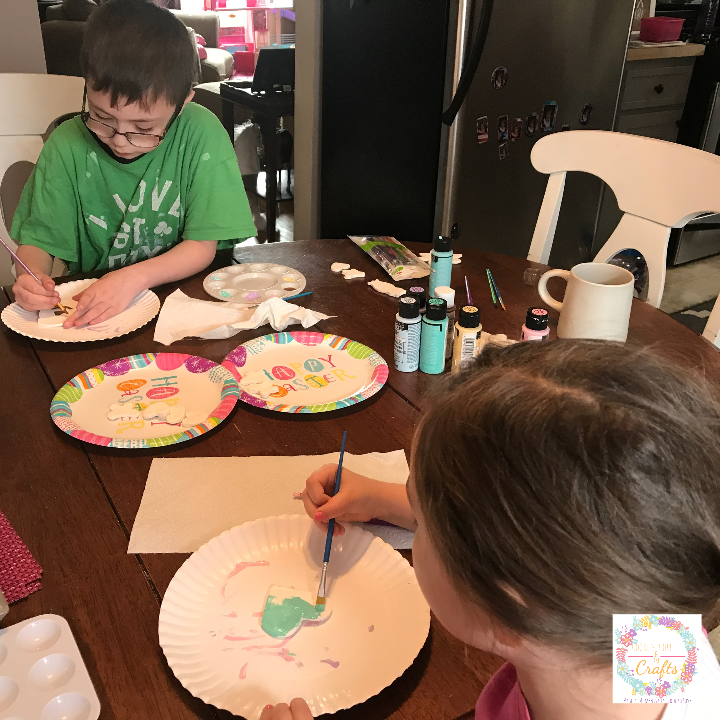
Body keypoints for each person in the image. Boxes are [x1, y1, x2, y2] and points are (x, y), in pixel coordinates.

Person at [265, 341, 720, 720]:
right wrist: (383, 500)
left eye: (425, 519)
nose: (420, 522)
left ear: (508, 600)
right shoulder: (656, 627)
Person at [11, 0, 256, 328]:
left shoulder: (201, 134)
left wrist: (131, 278)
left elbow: (201, 245)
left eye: (143, 129)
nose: (119, 140)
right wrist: (31, 276)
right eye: (101, 117)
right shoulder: (67, 145)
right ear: (87, 83)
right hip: (97, 313)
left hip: (183, 302)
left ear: (182, 102)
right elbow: (39, 242)